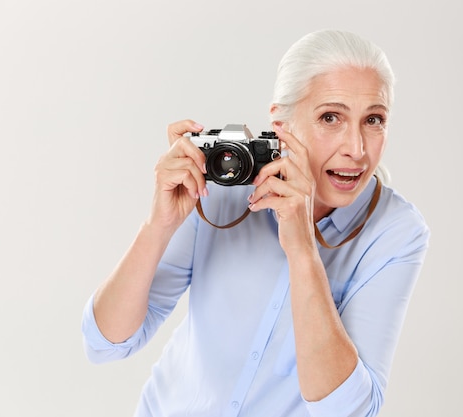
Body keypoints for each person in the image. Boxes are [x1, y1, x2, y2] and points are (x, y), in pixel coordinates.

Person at [82, 29, 430, 417]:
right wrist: (158, 226)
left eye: (374, 120)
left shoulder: (396, 232)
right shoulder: (225, 189)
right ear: (281, 124)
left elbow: (347, 410)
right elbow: (106, 343)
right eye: (330, 117)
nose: (357, 149)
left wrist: (302, 248)